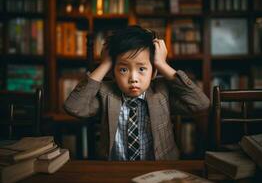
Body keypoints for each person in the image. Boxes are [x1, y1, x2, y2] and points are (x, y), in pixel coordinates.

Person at [64, 25, 210, 160]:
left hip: (161, 167)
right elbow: (73, 107)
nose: (133, 79)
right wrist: (105, 63)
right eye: (123, 69)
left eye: (142, 69)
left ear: (153, 73)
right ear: (113, 73)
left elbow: (201, 103)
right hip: (114, 169)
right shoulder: (106, 93)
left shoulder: (161, 92)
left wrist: (162, 64)